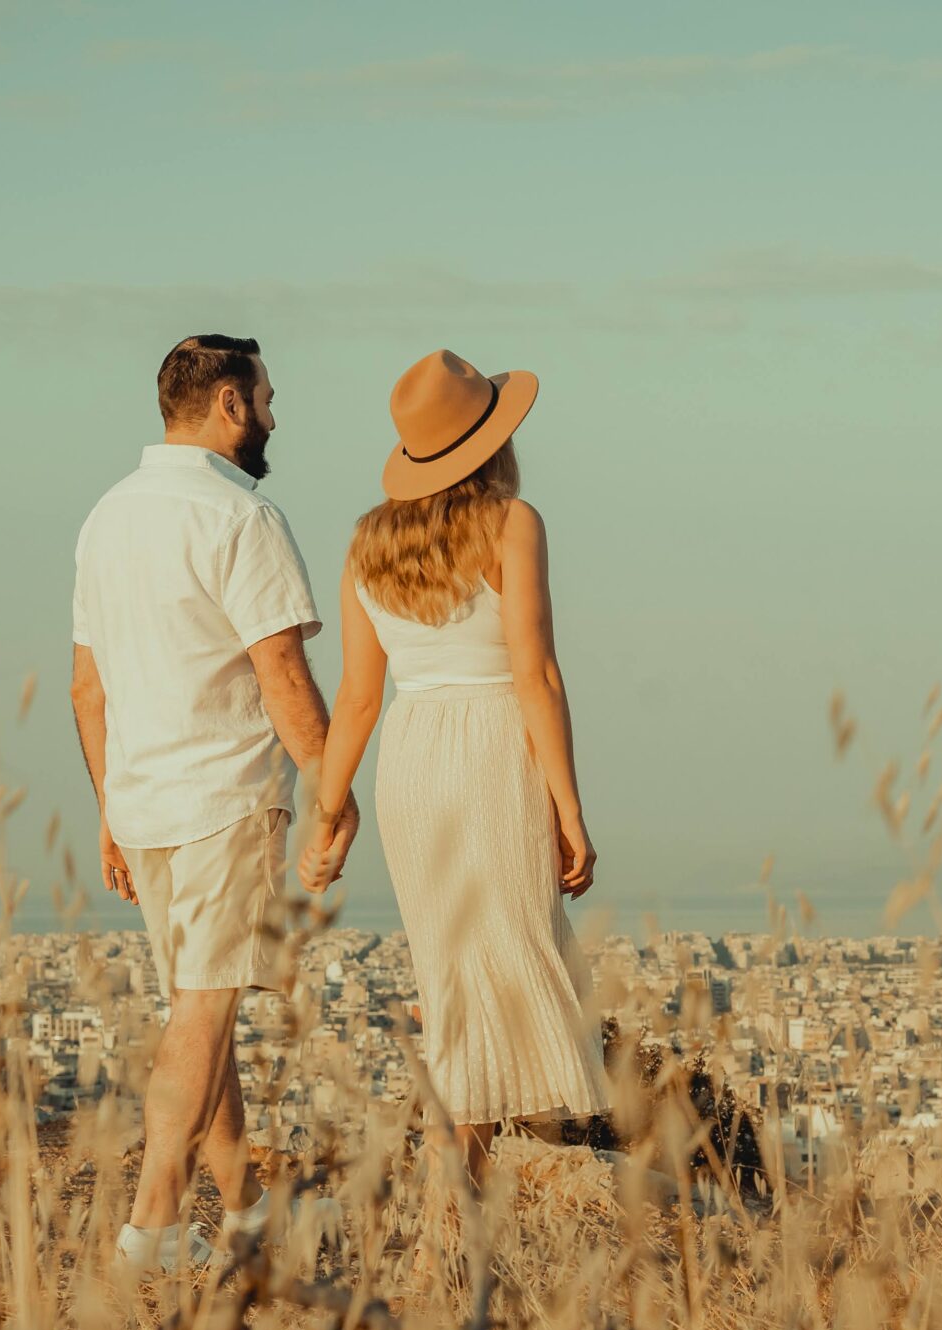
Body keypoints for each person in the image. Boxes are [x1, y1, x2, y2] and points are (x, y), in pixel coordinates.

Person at [70, 333, 358, 1272]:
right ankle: (149, 1232)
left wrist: (110, 809)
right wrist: (331, 789)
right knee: (201, 1010)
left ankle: (245, 1217)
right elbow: (281, 672)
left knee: (210, 1011)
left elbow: (87, 688)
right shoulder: (243, 518)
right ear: (229, 403)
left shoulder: (105, 518)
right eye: (268, 396)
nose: (276, 414)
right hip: (224, 799)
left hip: (145, 806)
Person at [300, 350, 608, 1176]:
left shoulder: (368, 542)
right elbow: (536, 675)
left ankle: (457, 1207)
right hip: (494, 749)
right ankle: (454, 1213)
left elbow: (359, 698)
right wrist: (570, 810)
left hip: (412, 754)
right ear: (492, 442)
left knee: (452, 978)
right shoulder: (513, 524)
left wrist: (325, 816)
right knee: (503, 958)